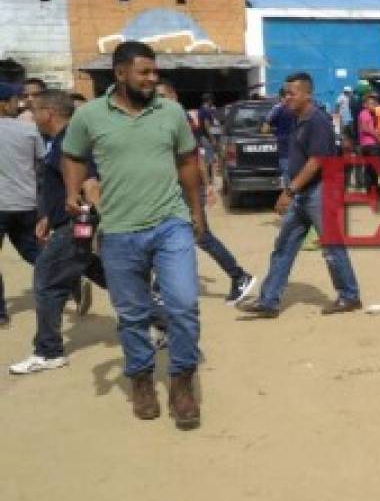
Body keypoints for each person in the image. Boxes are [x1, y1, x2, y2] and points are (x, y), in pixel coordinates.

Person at [61, 40, 205, 428]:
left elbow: (188, 161)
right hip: (119, 230)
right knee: (132, 314)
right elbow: (72, 155)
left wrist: (197, 211)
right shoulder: (89, 115)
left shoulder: (171, 112)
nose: (151, 78)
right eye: (144, 72)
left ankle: (181, 382)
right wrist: (72, 191)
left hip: (170, 222)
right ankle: (141, 378)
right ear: (120, 73)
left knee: (183, 305)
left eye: (154, 71)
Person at [240, 72, 362, 318]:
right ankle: (269, 301)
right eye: (284, 93)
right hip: (303, 194)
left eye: (292, 94)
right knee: (284, 247)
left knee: (332, 246)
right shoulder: (296, 117)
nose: (286, 98)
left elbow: (316, 162)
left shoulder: (318, 121)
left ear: (307, 94)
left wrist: (289, 190)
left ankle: (349, 296)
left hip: (319, 191)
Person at [9, 90, 106, 374]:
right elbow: (63, 185)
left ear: (49, 112)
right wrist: (47, 217)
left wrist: (94, 222)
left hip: (76, 223)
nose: (31, 115)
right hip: (65, 221)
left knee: (46, 280)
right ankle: (159, 318)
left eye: (35, 109)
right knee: (101, 272)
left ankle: (48, 351)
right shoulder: (57, 142)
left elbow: (88, 182)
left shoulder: (70, 142)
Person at [156, 81, 255, 305]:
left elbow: (194, 157)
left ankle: (239, 276)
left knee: (200, 236)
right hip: (173, 188)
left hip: (184, 189)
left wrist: (206, 186)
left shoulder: (178, 118)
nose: (158, 100)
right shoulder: (168, 119)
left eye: (162, 95)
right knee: (173, 236)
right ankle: (160, 288)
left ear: (173, 96)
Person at [0, 81, 44, 327]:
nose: (19, 103)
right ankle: (68, 281)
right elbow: (42, 164)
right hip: (26, 202)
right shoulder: (28, 130)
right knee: (32, 251)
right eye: (15, 99)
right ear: (4, 104)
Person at [263, 87, 295, 184]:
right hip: (298, 149)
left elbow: (265, 129)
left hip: (285, 148)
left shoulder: (278, 109)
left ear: (281, 97)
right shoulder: (298, 109)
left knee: (287, 177)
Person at [357, 93, 380, 192]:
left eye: (374, 103)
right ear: (365, 105)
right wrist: (376, 136)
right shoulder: (365, 114)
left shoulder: (369, 114)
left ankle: (371, 189)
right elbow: (365, 128)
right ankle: (373, 189)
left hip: (367, 144)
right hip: (369, 145)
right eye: (371, 103)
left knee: (369, 168)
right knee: (372, 168)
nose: (373, 105)